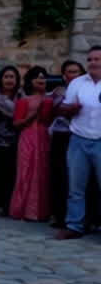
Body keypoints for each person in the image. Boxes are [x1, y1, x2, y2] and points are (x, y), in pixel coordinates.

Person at [57, 45, 101, 239]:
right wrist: (71, 109)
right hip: (78, 139)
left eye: (97, 59)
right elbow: (64, 110)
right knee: (76, 187)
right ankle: (74, 225)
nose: (93, 62)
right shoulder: (77, 83)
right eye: (90, 59)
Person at [9, 66, 53, 222]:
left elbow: (47, 121)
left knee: (42, 172)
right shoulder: (24, 100)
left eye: (43, 77)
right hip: (27, 137)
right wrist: (30, 117)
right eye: (37, 77)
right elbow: (16, 123)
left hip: (43, 137)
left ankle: (41, 212)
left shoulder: (50, 99)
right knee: (26, 170)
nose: (41, 80)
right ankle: (23, 210)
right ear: (30, 81)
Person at [50, 59, 88, 228]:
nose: (72, 75)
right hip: (61, 136)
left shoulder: (89, 90)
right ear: (64, 76)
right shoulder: (59, 92)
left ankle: (86, 219)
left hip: (82, 136)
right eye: (69, 72)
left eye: (76, 72)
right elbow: (58, 111)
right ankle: (61, 216)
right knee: (61, 178)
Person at [0, 65, 22, 215]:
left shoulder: (21, 97)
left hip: (16, 141)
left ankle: (7, 205)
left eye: (12, 77)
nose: (9, 80)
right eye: (6, 77)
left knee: (11, 175)